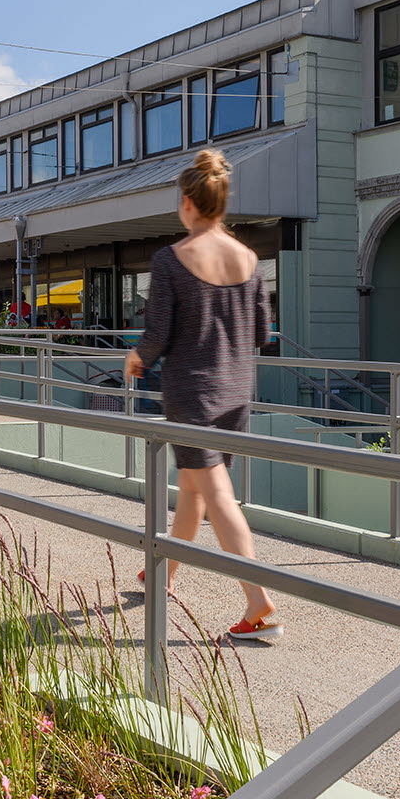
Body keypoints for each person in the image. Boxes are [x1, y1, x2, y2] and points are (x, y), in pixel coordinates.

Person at [124, 150, 279, 642]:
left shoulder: (171, 259)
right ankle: (164, 574)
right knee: (194, 488)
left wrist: (137, 358)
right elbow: (262, 334)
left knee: (216, 494)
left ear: (188, 202)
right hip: (236, 392)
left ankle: (259, 604)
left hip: (192, 394)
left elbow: (157, 334)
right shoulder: (249, 259)